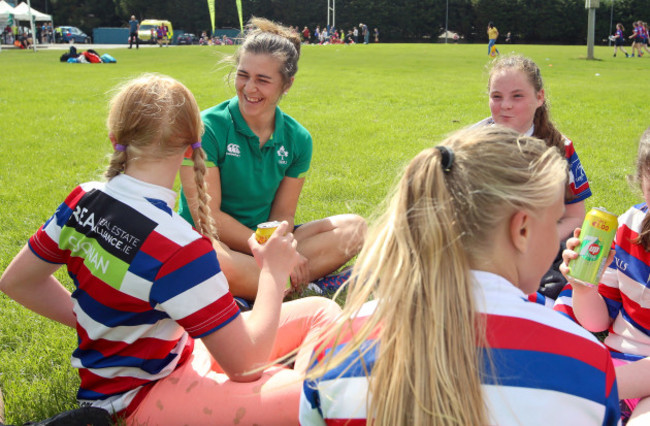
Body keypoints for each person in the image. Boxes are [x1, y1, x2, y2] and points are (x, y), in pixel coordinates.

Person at [0, 73, 341, 424]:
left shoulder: (83, 198)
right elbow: (246, 367)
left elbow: (17, 282)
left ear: (115, 136)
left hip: (180, 353)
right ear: (194, 144)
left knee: (319, 311)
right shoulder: (181, 246)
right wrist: (272, 272)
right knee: (313, 397)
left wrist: (98, 322)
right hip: (141, 397)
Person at [299, 126, 621, 425]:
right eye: (554, 223)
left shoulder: (336, 347)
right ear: (521, 229)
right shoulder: (587, 365)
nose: (557, 238)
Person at [178, 17, 366, 302]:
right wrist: (268, 250)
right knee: (206, 263)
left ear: (287, 85)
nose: (249, 88)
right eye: (243, 75)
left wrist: (279, 247)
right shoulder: (206, 128)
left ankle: (263, 287)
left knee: (355, 228)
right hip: (212, 243)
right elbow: (207, 217)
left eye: (262, 80)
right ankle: (297, 282)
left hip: (261, 243)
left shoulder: (297, 139)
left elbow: (283, 214)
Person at [474, 54, 592, 300]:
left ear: (540, 97)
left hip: (540, 247)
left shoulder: (560, 148)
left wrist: (530, 244)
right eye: (496, 96)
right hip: (482, 247)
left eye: (517, 96)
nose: (505, 105)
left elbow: (574, 216)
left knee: (555, 287)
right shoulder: (472, 143)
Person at [560, 127, 650, 425]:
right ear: (641, 179)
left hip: (619, 380)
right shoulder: (628, 227)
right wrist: (582, 288)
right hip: (615, 362)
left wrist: (596, 384)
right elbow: (598, 322)